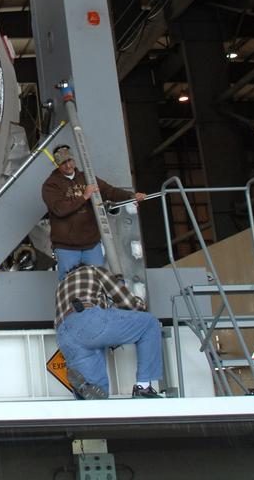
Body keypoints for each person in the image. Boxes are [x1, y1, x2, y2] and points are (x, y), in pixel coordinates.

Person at [54, 264, 164, 399]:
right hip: (87, 320)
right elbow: (127, 302)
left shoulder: (61, 286)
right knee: (149, 323)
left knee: (98, 396)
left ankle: (84, 388)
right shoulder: (93, 270)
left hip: (64, 337)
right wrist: (141, 304)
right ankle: (144, 387)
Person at [41, 145, 144, 277]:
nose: (68, 166)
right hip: (66, 247)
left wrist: (131, 196)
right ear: (57, 164)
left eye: (69, 160)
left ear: (74, 160)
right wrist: (84, 196)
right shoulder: (50, 184)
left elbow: (110, 191)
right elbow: (59, 209)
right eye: (63, 163)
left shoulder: (87, 178)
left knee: (97, 283)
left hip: (91, 244)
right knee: (71, 286)